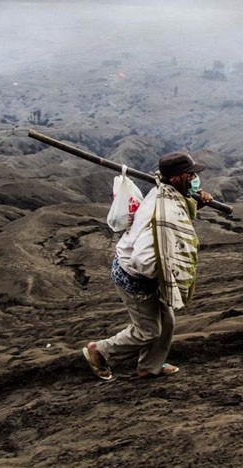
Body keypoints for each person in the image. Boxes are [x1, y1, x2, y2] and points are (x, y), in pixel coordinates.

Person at [83, 151, 213, 380]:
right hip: (135, 277)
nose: (195, 179)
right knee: (149, 330)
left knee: (167, 322)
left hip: (142, 273)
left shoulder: (166, 193)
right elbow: (143, 260)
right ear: (177, 179)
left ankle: (149, 367)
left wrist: (196, 201)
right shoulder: (163, 210)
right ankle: (99, 350)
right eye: (190, 175)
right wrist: (163, 276)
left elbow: (180, 210)